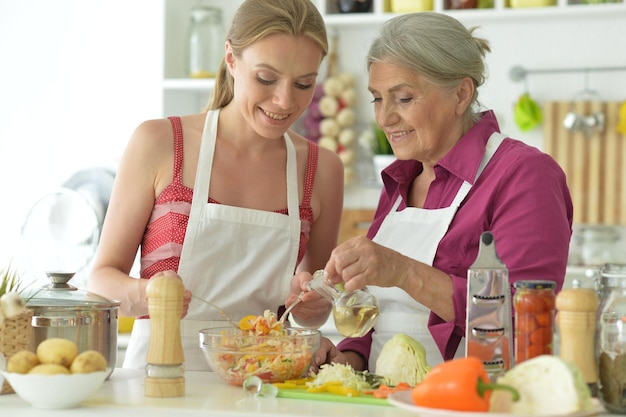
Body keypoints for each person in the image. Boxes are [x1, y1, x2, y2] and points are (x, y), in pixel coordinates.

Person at [301, 12, 573, 373]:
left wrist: (402, 271)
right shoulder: (401, 181)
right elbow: (379, 316)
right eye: (378, 99)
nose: (384, 119)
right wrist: (347, 358)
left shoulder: (523, 175)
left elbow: (522, 319)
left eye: (404, 98)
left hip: (474, 402)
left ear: (461, 94)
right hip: (382, 401)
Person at [87, 0, 343, 371]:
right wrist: (149, 296)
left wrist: (312, 304)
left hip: (266, 386)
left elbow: (309, 310)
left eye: (303, 83)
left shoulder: (323, 170)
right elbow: (101, 280)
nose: (285, 101)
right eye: (266, 78)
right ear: (231, 59)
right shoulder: (159, 142)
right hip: (160, 380)